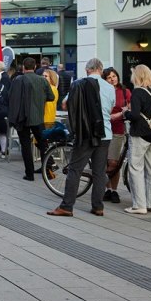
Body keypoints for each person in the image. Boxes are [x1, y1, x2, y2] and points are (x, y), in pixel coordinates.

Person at [48, 58, 113, 217]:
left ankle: (67, 206)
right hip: (105, 133)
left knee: (75, 169)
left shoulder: (79, 84)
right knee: (99, 172)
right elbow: (110, 108)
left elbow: (64, 104)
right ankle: (98, 207)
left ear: (87, 70)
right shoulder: (109, 87)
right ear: (101, 69)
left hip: (85, 134)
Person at [123, 64, 151, 214]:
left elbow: (134, 115)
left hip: (140, 134)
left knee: (136, 168)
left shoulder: (138, 92)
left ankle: (139, 205)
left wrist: (125, 113)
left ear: (137, 76)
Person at [8, 57, 55, 181]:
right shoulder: (42, 80)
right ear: (35, 67)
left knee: (25, 146)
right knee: (43, 144)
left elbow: (11, 97)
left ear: (23, 67)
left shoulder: (18, 80)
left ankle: (29, 174)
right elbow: (51, 97)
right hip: (38, 118)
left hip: (22, 118)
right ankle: (47, 170)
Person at [102, 67, 130, 204]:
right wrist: (120, 113)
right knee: (104, 162)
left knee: (114, 162)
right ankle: (108, 190)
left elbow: (130, 107)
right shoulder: (103, 91)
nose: (112, 79)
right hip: (103, 129)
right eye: (109, 77)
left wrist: (122, 113)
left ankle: (114, 190)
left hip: (118, 130)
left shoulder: (124, 91)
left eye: (114, 76)